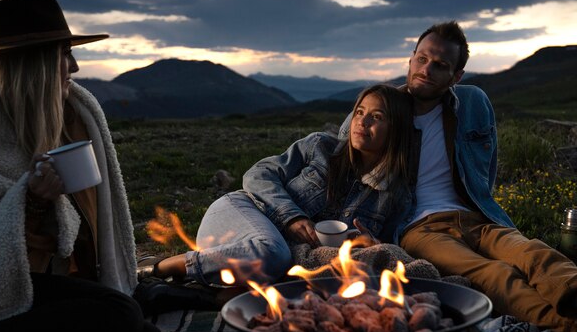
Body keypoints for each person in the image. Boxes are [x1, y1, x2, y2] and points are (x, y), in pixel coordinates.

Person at [0, 0, 164, 332]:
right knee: (122, 314)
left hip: (57, 278)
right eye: (63, 54)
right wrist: (32, 201)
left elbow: (87, 233)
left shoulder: (76, 117)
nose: (75, 67)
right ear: (32, 63)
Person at [340, 21, 577, 332]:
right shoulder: (385, 107)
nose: (426, 70)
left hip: (476, 216)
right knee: (493, 273)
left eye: (440, 66)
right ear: (411, 59)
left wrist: (480, 203)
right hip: (420, 227)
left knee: (534, 252)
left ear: (455, 77)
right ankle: (569, 328)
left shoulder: (473, 103)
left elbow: (487, 165)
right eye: (422, 59)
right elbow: (346, 150)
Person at [149, 84, 414, 286]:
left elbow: (387, 247)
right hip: (239, 215)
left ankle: (198, 290)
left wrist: (369, 242)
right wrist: (291, 217)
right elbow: (257, 175)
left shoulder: (395, 196)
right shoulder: (320, 147)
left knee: (289, 273)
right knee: (274, 254)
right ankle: (159, 269)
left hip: (251, 259)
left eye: (377, 117)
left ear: (396, 129)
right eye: (359, 112)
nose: (363, 122)